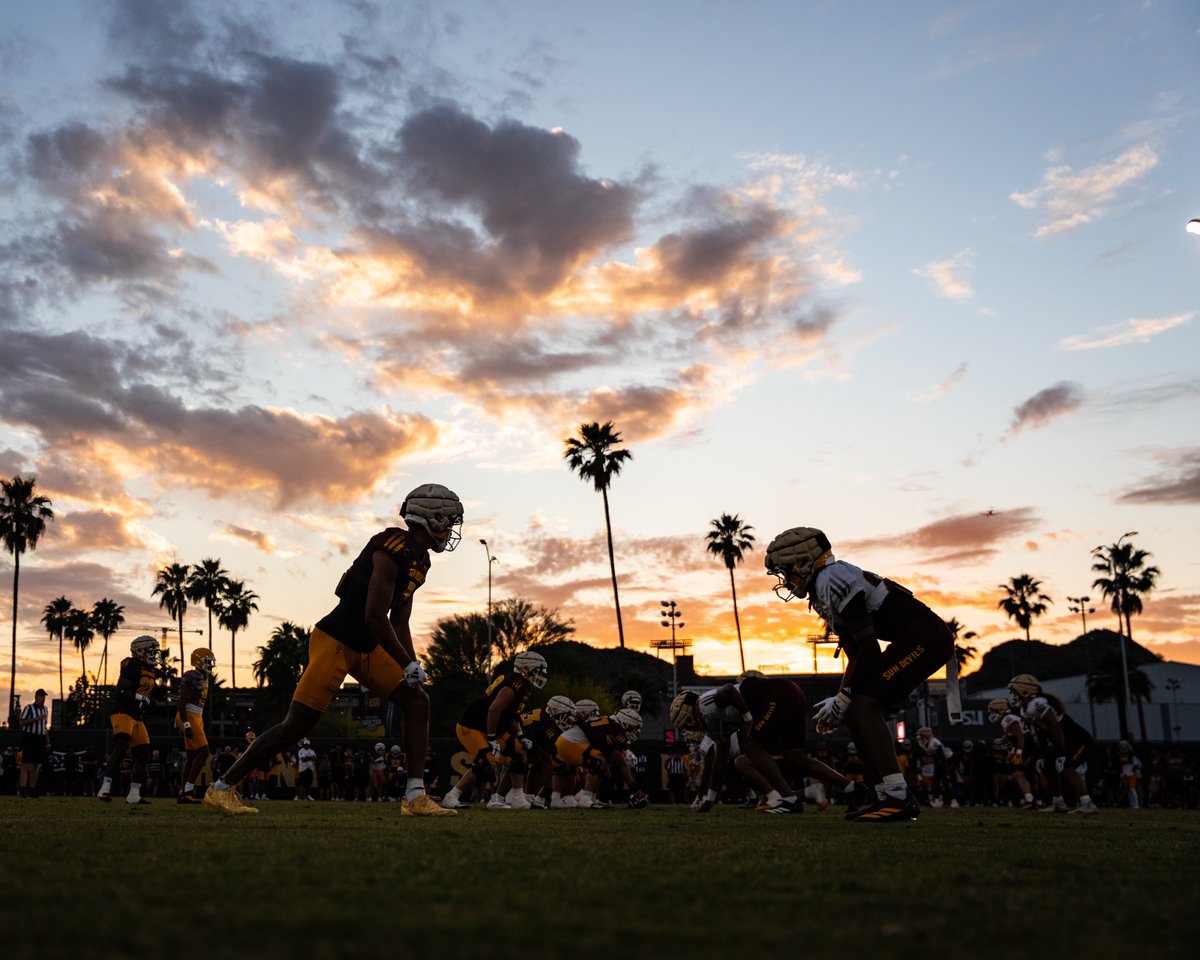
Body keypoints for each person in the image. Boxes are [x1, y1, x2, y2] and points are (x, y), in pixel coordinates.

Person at [204, 484, 463, 817]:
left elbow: (399, 622)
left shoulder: (420, 561)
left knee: (417, 701)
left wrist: (411, 665)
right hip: (337, 642)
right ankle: (222, 788)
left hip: (368, 647)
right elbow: (373, 615)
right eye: (449, 520)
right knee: (295, 726)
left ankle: (415, 796)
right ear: (430, 517)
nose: (451, 529)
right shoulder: (390, 546)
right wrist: (404, 662)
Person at [764, 526, 953, 822]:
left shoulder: (831, 577)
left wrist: (846, 695)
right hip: (914, 637)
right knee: (854, 710)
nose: (785, 579)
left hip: (925, 637)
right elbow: (855, 652)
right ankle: (883, 795)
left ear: (802, 560)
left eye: (785, 570)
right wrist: (841, 698)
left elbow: (869, 647)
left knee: (864, 706)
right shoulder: (821, 588)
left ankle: (898, 796)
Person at [669, 676, 855, 815]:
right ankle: (851, 788)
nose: (690, 728)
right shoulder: (711, 723)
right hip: (791, 693)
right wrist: (709, 799)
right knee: (795, 758)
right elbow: (720, 762)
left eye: (688, 724)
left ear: (686, 713)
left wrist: (747, 719)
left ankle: (790, 799)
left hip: (778, 696)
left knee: (750, 747)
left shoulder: (705, 705)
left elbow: (728, 690)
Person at [439, 650, 549, 811]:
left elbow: (511, 714)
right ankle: (451, 797)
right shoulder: (515, 682)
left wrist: (520, 735)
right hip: (472, 726)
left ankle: (517, 798)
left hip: (491, 728)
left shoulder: (523, 684)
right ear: (526, 667)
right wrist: (491, 738)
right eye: (537, 671)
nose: (539, 675)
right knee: (486, 763)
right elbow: (494, 710)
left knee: (518, 753)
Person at [1007, 674, 1097, 815]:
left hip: (1077, 739)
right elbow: (1041, 731)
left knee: (1068, 766)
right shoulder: (1026, 707)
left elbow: (1056, 728)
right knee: (1047, 766)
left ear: (1025, 690)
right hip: (1060, 739)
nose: (1013, 695)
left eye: (1015, 691)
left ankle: (1088, 804)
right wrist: (1043, 754)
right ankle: (1058, 803)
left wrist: (1060, 751)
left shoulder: (1038, 703)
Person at [97, 635, 163, 805]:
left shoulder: (151, 670)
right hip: (122, 712)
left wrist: (158, 699)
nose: (155, 654)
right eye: (152, 650)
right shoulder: (131, 664)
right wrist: (142, 698)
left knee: (143, 754)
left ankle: (134, 795)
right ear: (140, 650)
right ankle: (105, 789)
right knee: (121, 747)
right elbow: (120, 691)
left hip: (137, 716)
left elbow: (150, 694)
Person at [176, 647, 215, 804]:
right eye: (208, 662)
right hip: (188, 715)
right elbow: (181, 703)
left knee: (192, 756)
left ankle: (183, 791)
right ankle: (188, 790)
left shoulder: (203, 677)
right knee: (204, 752)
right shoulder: (192, 675)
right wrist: (186, 724)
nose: (211, 665)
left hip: (196, 716)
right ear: (199, 661)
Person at [987, 698, 1036, 809]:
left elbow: (1020, 737)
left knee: (1019, 774)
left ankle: (1031, 800)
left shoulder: (1008, 719)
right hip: (1026, 747)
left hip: (1027, 748)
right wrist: (1013, 751)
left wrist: (1018, 753)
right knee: (1019, 776)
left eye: (994, 711)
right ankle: (1030, 799)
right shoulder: (1008, 718)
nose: (992, 714)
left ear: (1000, 709)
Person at [18, 688, 51, 798]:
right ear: (36, 697)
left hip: (40, 738)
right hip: (29, 737)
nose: (43, 698)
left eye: (44, 696)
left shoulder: (45, 709)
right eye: (41, 696)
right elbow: (22, 722)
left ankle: (32, 789)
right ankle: (22, 789)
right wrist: (36, 719)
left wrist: (47, 741)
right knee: (26, 764)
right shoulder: (29, 708)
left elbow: (44, 727)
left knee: (36, 765)